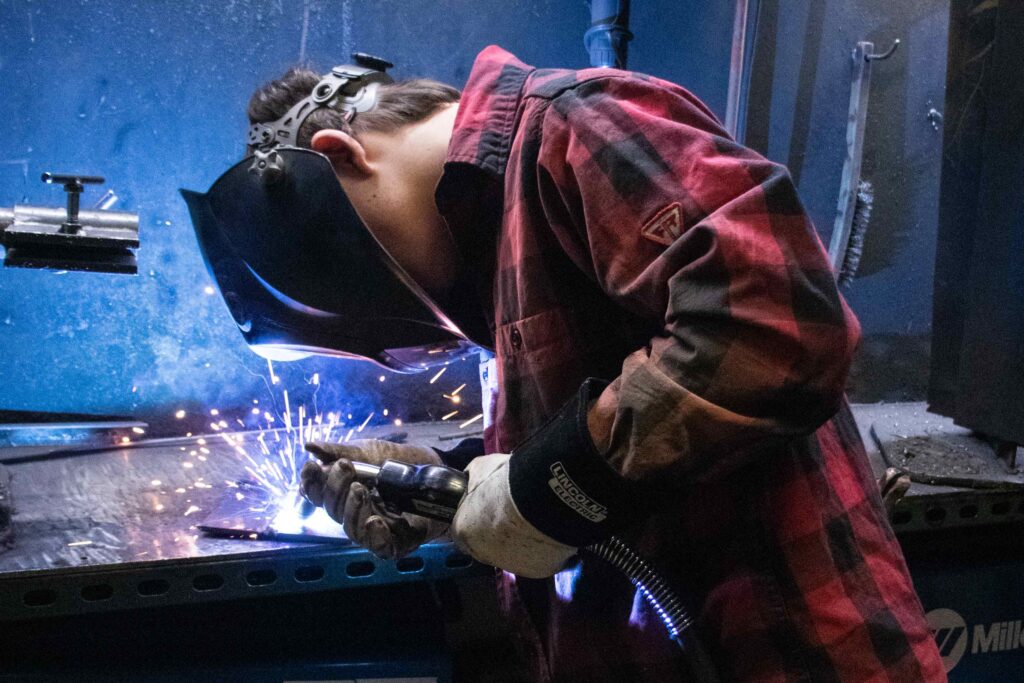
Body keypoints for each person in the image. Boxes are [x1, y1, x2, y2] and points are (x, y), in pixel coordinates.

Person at [258, 46, 946, 681]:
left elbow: (773, 322)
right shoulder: (491, 235)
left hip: (785, 658)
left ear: (342, 154)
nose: (390, 297)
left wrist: (543, 490)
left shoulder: (576, 126)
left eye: (355, 269)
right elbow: (604, 419)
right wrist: (449, 485)